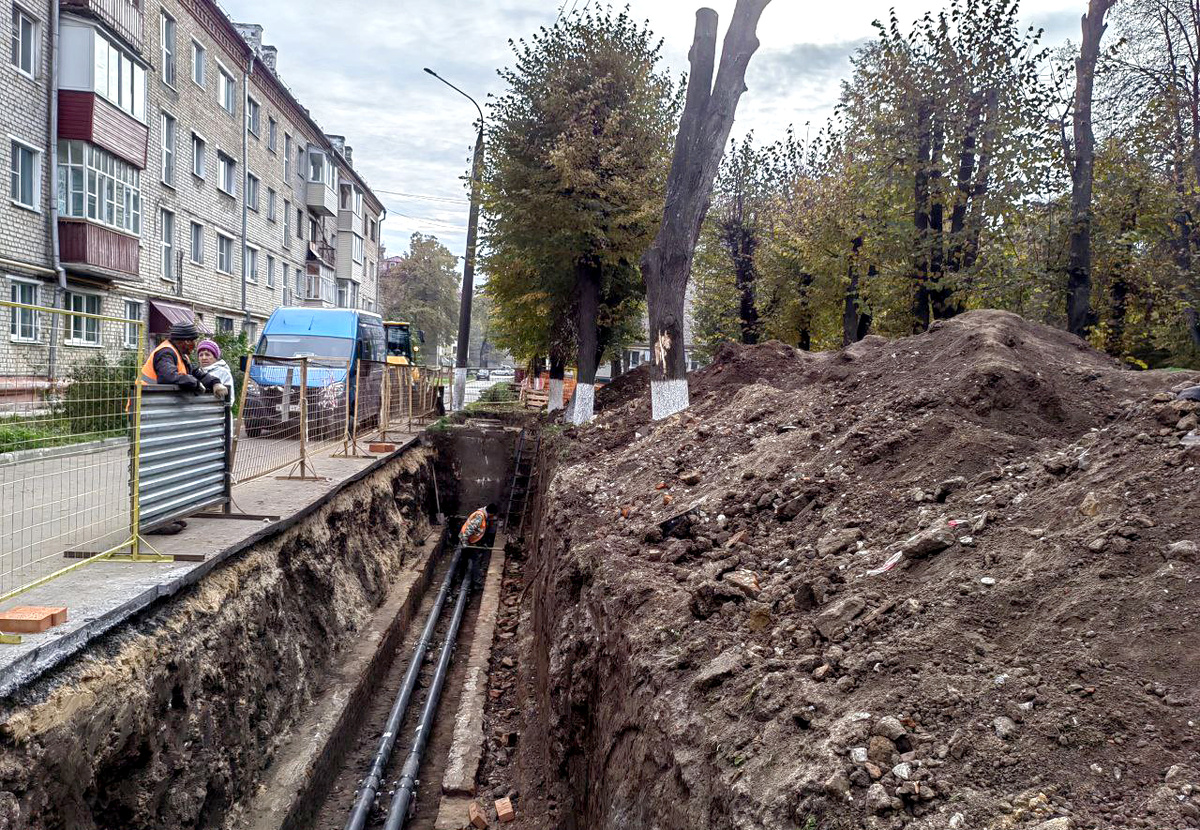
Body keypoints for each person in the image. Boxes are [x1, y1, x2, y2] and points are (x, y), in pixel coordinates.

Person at [138, 322, 229, 400]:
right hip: (142, 406)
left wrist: (215, 382)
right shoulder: (165, 353)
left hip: (152, 405)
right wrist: (195, 384)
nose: (195, 345)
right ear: (187, 342)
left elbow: (196, 373)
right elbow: (168, 377)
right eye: (194, 341)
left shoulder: (181, 355)